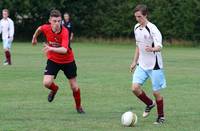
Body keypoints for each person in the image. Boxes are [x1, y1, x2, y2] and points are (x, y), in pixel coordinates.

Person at [31, 9, 85, 114]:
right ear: (50, 21)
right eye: (55, 21)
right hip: (53, 60)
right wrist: (34, 37)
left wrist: (51, 49)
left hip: (68, 61)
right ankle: (54, 89)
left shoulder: (65, 31)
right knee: (46, 83)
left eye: (59, 21)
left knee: (74, 87)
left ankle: (78, 107)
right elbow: (39, 29)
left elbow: (64, 50)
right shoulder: (46, 28)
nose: (57, 23)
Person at [130, 4, 166, 124]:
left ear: (145, 15)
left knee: (156, 92)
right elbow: (138, 46)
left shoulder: (153, 29)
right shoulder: (136, 28)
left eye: (139, 17)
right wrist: (134, 61)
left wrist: (152, 49)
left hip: (155, 66)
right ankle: (150, 104)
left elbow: (160, 46)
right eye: (136, 17)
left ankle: (161, 117)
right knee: (135, 88)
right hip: (142, 64)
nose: (137, 19)